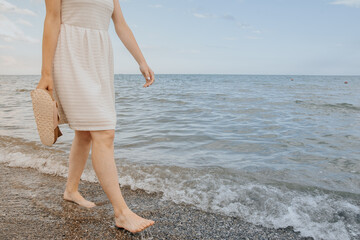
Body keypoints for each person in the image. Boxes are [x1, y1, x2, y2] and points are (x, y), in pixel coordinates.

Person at [35, 0, 155, 233]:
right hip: (70, 56)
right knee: (104, 132)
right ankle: (122, 212)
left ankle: (71, 190)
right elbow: (51, 20)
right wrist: (46, 74)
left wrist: (141, 61)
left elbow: (120, 24)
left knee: (85, 132)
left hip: (99, 60)